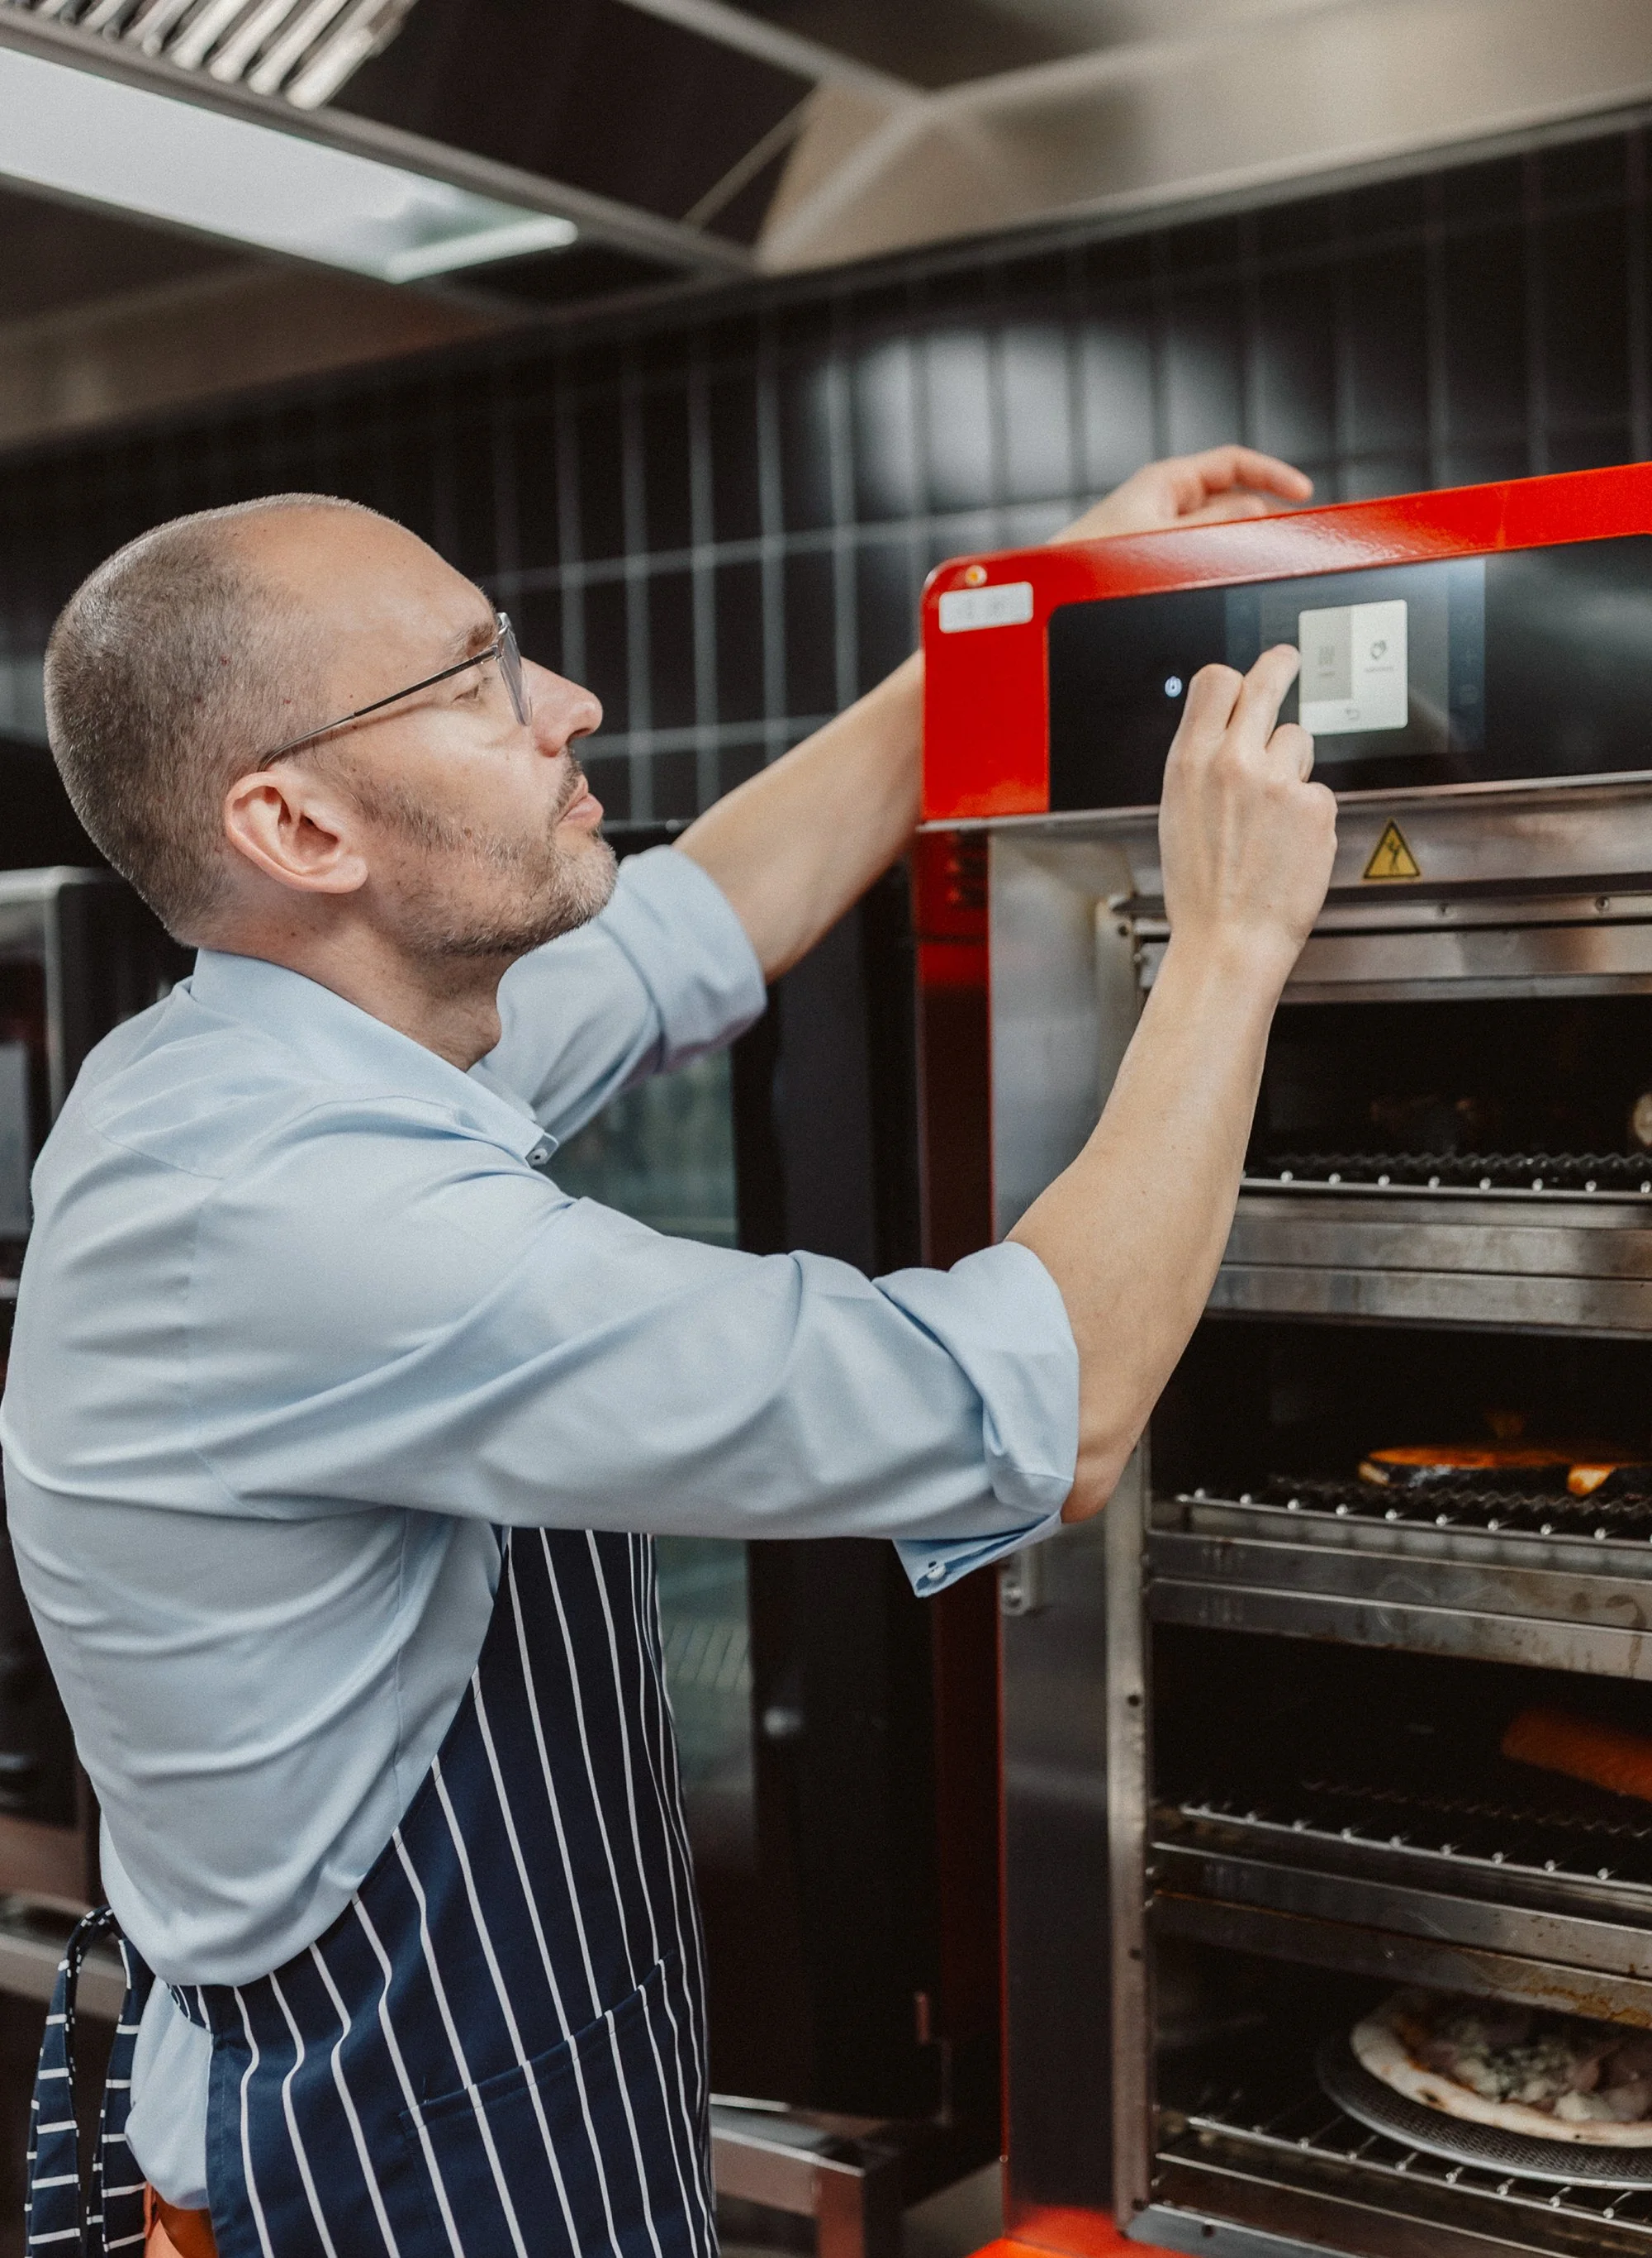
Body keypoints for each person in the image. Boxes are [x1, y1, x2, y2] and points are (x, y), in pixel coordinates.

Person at [1, 444, 1333, 2258]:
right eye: (472, 681)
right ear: (299, 829)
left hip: (524, 2118)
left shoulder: (286, 1046)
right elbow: (1046, 1393)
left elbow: (709, 912)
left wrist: (1020, 605)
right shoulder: (303, 1212)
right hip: (381, 2184)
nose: (565, 703)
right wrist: (1230, 935)